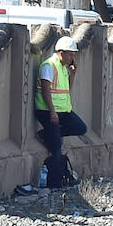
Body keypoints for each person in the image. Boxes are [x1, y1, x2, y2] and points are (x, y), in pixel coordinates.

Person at [35, 35, 87, 187]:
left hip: (63, 111)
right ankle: (55, 183)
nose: (72, 57)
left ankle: (46, 134)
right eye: (70, 54)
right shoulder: (49, 66)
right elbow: (46, 91)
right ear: (62, 53)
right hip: (47, 111)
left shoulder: (63, 68)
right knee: (56, 146)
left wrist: (73, 74)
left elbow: (67, 89)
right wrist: (52, 111)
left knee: (80, 127)